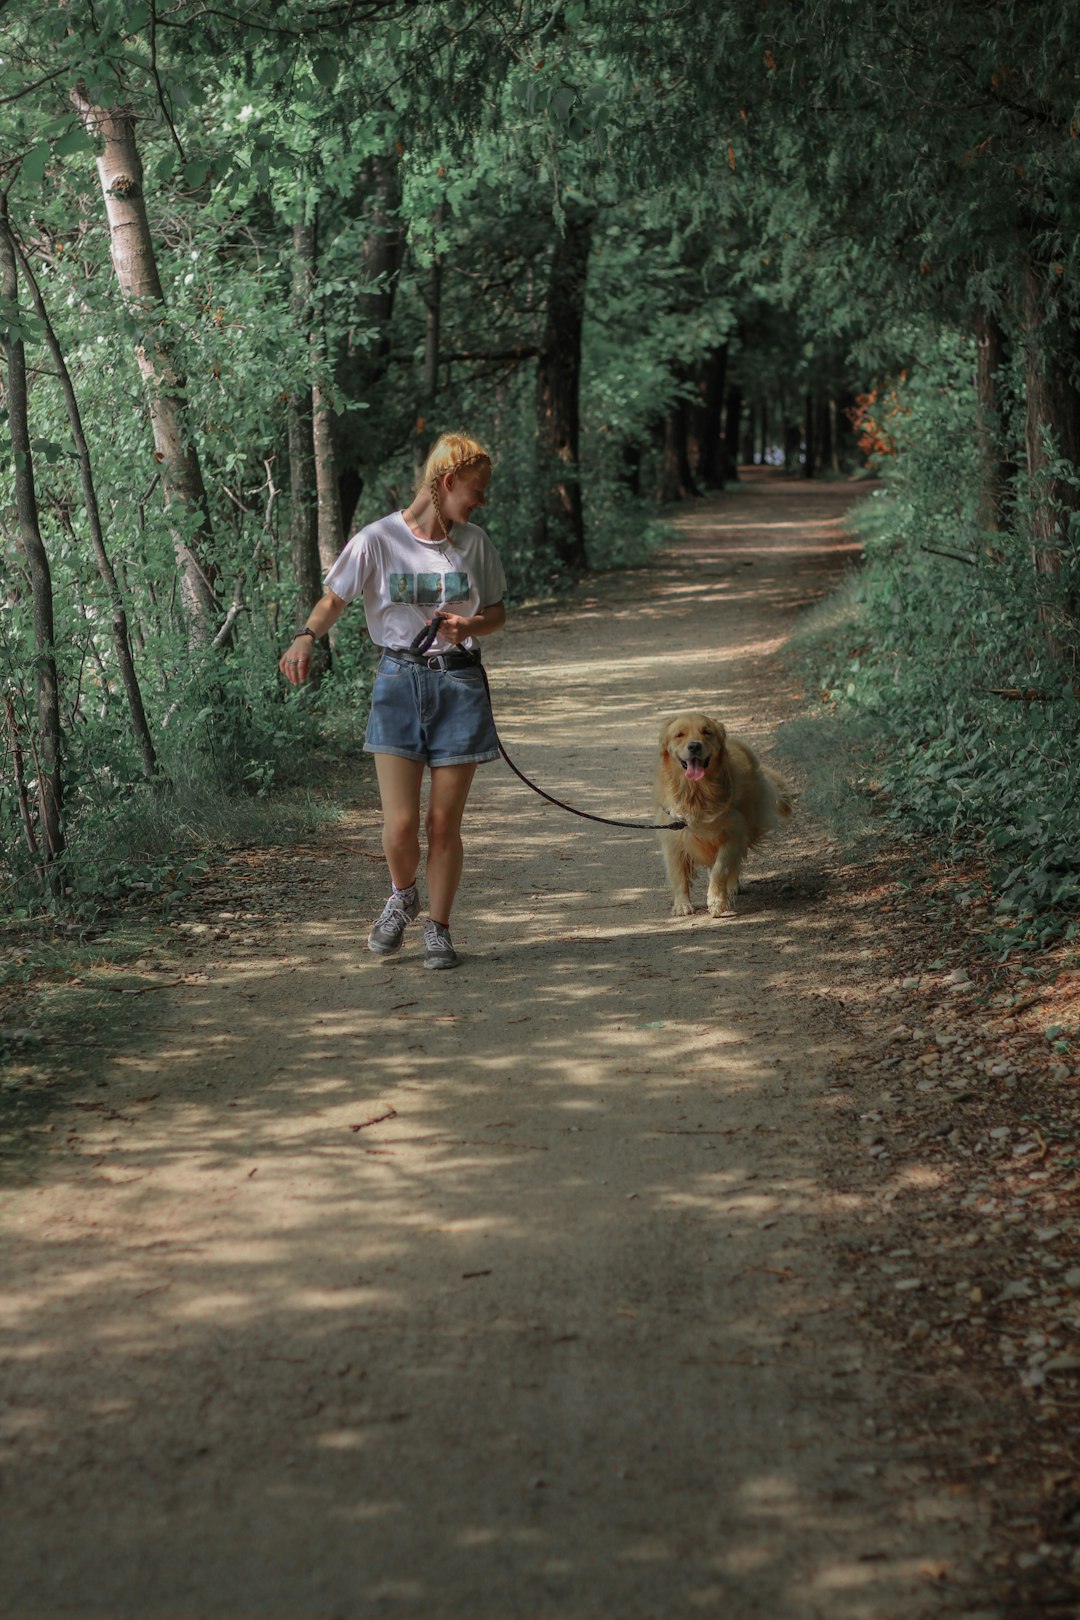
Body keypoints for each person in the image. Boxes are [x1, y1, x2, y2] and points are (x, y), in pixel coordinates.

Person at [278, 432, 506, 970]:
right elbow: (335, 598)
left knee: (443, 825)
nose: (480, 502)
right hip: (398, 685)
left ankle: (439, 928)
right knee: (400, 825)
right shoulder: (377, 539)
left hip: (459, 685)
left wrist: (469, 625)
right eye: (476, 490)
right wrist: (306, 636)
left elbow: (495, 613)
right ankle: (403, 895)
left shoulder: (475, 544)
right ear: (447, 483)